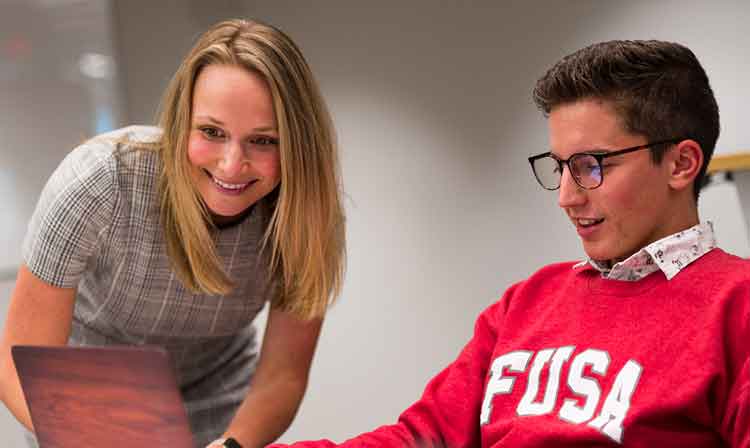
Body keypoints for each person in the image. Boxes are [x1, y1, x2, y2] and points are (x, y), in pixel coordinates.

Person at [268, 40, 749, 447]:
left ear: (681, 164)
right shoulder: (528, 301)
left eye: (591, 165)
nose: (566, 196)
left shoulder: (737, 306)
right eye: (560, 167)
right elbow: (421, 438)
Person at [0, 18, 345, 448]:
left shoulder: (304, 215)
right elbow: (18, 362)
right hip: (81, 403)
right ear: (182, 122)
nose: (231, 164)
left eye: (263, 141)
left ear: (295, 144)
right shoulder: (100, 181)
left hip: (221, 405)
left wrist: (232, 445)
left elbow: (283, 374)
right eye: (212, 132)